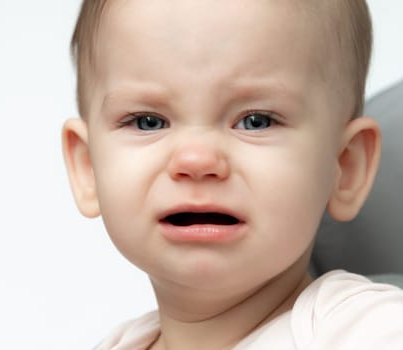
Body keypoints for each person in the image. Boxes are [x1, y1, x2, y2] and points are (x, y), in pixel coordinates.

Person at [62, 0, 403, 349]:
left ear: (345, 167)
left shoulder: (368, 330)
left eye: (256, 121)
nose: (196, 160)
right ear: (88, 167)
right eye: (148, 121)